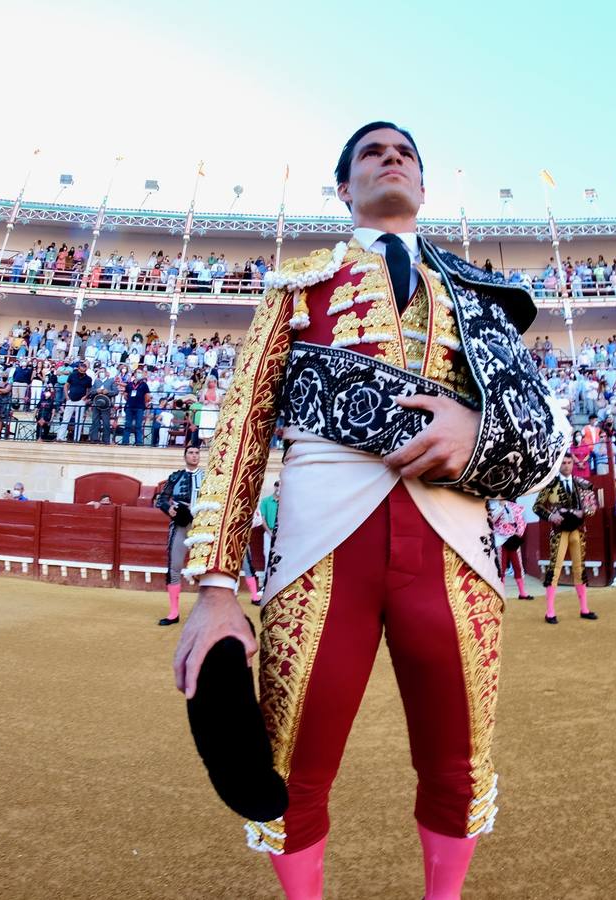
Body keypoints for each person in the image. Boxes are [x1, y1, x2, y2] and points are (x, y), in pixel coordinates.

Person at [171, 122, 568, 898]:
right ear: (344, 188)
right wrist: (216, 590)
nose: (393, 159)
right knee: (290, 773)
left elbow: (546, 437)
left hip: (455, 547)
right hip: (322, 549)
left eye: (406, 154)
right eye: (371, 154)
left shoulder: (479, 295)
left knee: (459, 766)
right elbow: (242, 430)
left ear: (422, 187)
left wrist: (477, 432)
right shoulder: (296, 290)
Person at [533, 453, 597, 623]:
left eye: (569, 462)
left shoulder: (582, 484)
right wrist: (551, 516)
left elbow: (592, 508)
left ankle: (584, 608)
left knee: (579, 568)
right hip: (559, 530)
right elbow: (537, 507)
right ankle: (550, 612)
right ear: (558, 465)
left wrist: (583, 511)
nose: (567, 466)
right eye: (563, 463)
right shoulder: (550, 484)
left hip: (577, 530)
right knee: (554, 569)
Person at [155, 446, 204, 627]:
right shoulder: (175, 477)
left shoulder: (208, 477)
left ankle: (206, 611)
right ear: (185, 456)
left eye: (197, 453)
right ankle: (174, 612)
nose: (194, 456)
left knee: (206, 568)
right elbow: (161, 499)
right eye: (191, 453)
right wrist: (168, 509)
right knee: (174, 566)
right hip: (180, 524)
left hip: (202, 526)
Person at [488, 498, 533, 600]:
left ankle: (522, 593)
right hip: (500, 539)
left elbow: (519, 520)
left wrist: (518, 533)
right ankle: (501, 593)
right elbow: (492, 521)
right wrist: (501, 507)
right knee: (501, 568)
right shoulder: (492, 505)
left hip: (513, 538)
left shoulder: (512, 505)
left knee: (518, 566)